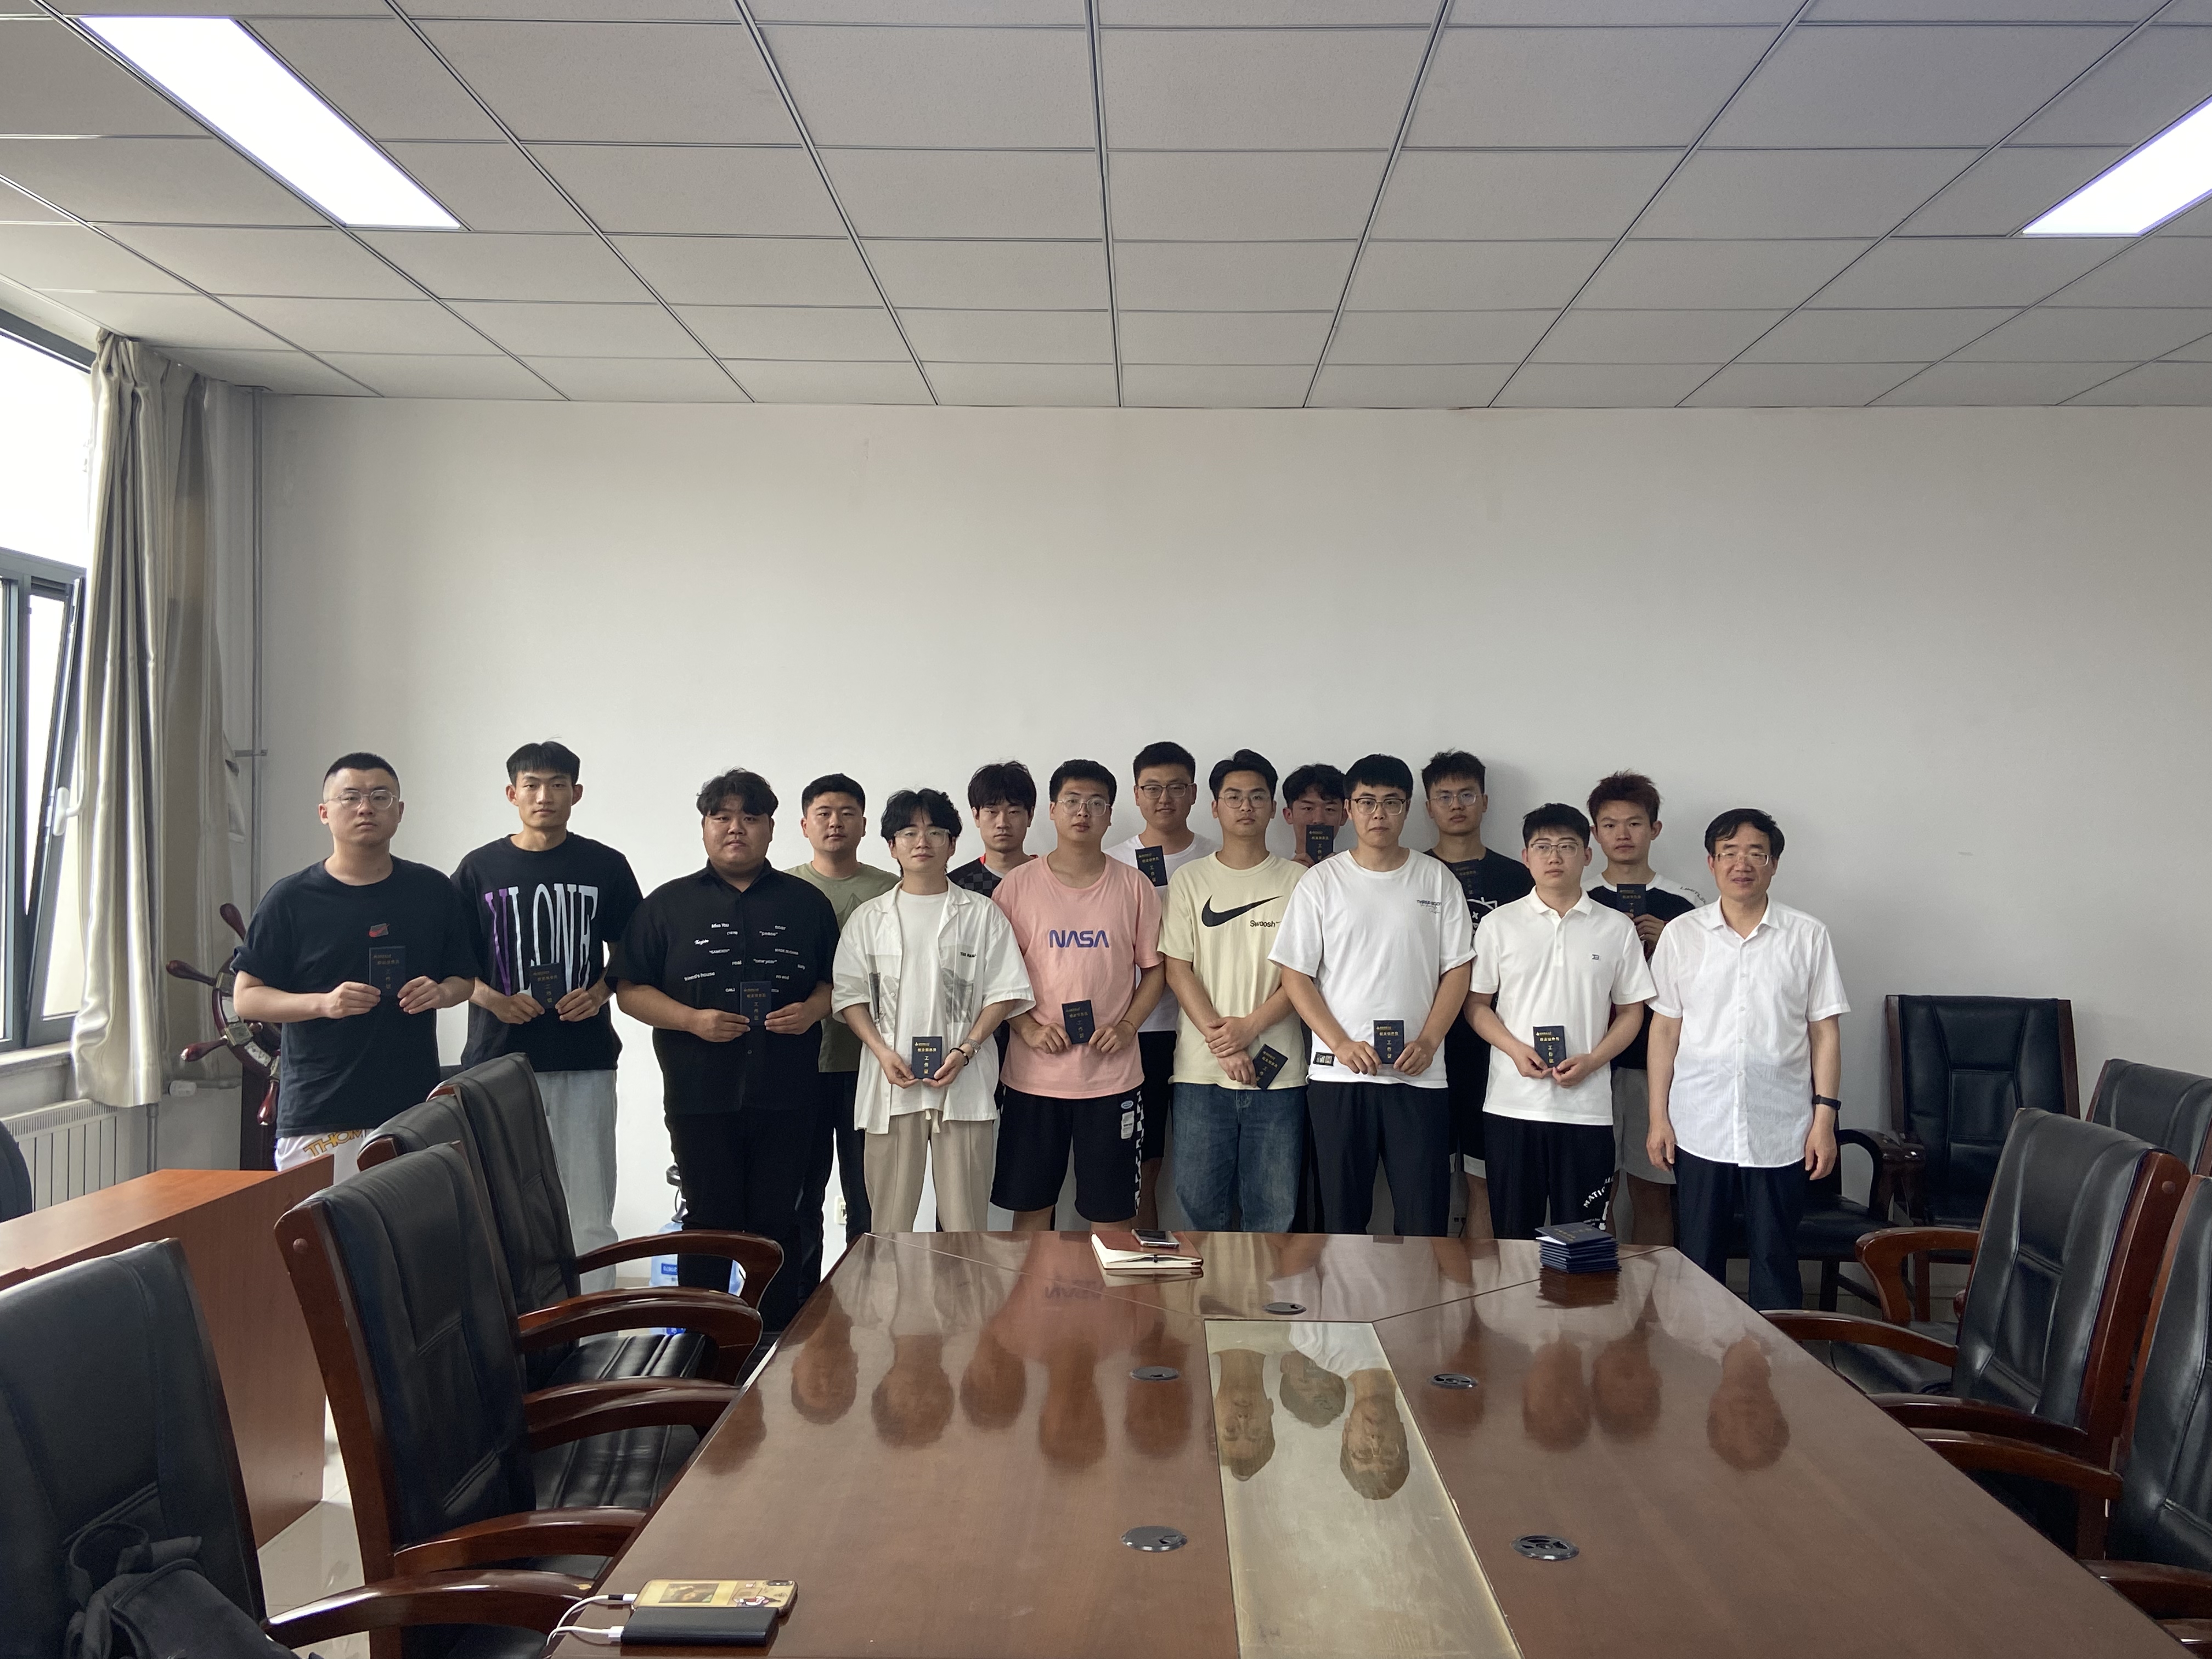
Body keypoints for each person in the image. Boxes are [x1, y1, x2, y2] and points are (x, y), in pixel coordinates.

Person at [613, 769, 838, 1338]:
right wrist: (691, 1020)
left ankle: (776, 1340)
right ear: (705, 827)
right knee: (708, 1222)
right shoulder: (667, 906)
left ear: (771, 828)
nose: (736, 828)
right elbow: (630, 990)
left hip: (788, 1093)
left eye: (750, 817)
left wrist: (813, 1010)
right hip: (699, 1095)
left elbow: (837, 984)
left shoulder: (807, 904)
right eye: (722, 817)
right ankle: (702, 1342)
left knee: (779, 1221)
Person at [451, 740, 644, 1288]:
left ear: (576, 793)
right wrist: (495, 1000)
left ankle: (594, 1326)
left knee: (588, 1209)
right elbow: (452, 962)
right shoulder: (479, 869)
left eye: (557, 785)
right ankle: (513, 1324)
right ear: (511, 794)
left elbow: (635, 950)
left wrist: (600, 993)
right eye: (532, 785)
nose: (544, 796)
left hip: (584, 1059)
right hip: (497, 1062)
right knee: (498, 1207)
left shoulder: (605, 865)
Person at [234, 753, 475, 1181]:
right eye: (350, 797)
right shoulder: (289, 900)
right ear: (325, 812)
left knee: (413, 1223)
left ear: (399, 811)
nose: (366, 808)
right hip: (320, 1111)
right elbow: (247, 998)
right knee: (325, 1225)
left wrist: (441, 993)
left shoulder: (433, 891)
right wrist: (324, 1004)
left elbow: (464, 979)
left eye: (381, 797)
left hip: (412, 1110)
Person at [1646, 808, 1849, 1312]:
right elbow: (1665, 1029)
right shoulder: (1682, 934)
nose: (1743, 864)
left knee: (1775, 1256)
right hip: (1700, 1121)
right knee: (1698, 1256)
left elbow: (1824, 1031)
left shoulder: (1807, 935)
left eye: (1756, 853)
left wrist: (1824, 1120)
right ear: (1712, 863)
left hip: (1780, 1124)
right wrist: (1658, 1118)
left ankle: (1780, 1356)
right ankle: (1699, 1350)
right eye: (1730, 853)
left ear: (1774, 864)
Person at [1271, 753, 1474, 1238]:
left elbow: (1457, 970)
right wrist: (1340, 1044)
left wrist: (1429, 1042)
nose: (1378, 814)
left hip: (1419, 1076)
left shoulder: (1436, 879)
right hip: (1339, 1076)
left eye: (1391, 803)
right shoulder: (1321, 882)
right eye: (1366, 802)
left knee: (1424, 1221)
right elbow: (1296, 976)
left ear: (1408, 808)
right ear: (1349, 809)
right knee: (1340, 1222)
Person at [833, 787, 1032, 1232]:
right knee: (888, 1225)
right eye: (908, 832)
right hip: (892, 1084)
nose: (922, 841)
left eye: (935, 831)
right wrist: (882, 1052)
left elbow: (1005, 991)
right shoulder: (868, 919)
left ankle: (963, 1286)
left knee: (966, 1227)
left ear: (952, 844)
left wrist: (967, 1049)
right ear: (892, 846)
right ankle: (890, 1287)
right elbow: (849, 997)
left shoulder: (983, 915)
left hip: (964, 1083)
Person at [991, 758, 1164, 1232]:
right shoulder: (1017, 887)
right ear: (1052, 810)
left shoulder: (1135, 886)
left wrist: (1127, 1026)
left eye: (1096, 803)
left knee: (1113, 1218)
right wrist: (1027, 1027)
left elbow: (1155, 971)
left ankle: (1107, 1289)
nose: (1083, 812)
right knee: (1030, 1212)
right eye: (1071, 801)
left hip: (1112, 1079)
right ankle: (1031, 1289)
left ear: (1110, 814)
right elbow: (996, 976)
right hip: (1033, 1078)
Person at [1466, 804, 1654, 1239]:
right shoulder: (1498, 924)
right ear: (1526, 857)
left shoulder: (1616, 928)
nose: (1554, 857)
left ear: (1587, 855)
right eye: (1543, 847)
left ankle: (1581, 1291)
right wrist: (1515, 1050)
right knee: (1514, 1238)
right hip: (1512, 1105)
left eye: (1567, 846)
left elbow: (1632, 1012)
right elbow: (1476, 1006)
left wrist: (1593, 1061)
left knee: (1582, 1240)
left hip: (1587, 1110)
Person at [1158, 749, 1306, 1232]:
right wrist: (1224, 1041)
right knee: (1200, 1208)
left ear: (1273, 808)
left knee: (1274, 1211)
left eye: (1257, 797)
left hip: (1278, 1075)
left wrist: (1249, 1029)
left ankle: (1264, 1289)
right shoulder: (1190, 879)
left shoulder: (1300, 882)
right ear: (1215, 807)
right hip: (1201, 1073)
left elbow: (1303, 976)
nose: (1246, 806)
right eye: (1234, 797)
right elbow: (1178, 969)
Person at [786, 773, 897, 1288]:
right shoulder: (782, 889)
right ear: (804, 824)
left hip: (870, 1065)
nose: (836, 823)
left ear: (865, 824)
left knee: (867, 1195)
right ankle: (799, 1306)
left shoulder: (890, 890)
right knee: (800, 1196)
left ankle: (868, 1299)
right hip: (800, 1066)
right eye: (824, 813)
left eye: (847, 813)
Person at [1584, 771, 1701, 1245]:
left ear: (1655, 829)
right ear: (1595, 833)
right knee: (1598, 1193)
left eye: (1634, 823)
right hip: (1592, 1062)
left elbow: (1707, 986)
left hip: (1659, 1067)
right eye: (1610, 825)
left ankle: (1654, 1290)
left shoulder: (1687, 904)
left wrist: (1668, 941)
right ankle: (1603, 1286)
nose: (1623, 834)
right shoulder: (1580, 898)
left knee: (1653, 1190)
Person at [1421, 748, 1533, 1242]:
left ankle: (1485, 1282)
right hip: (1424, 1042)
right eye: (1444, 796)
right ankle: (1433, 1278)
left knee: (1485, 1175)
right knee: (1425, 1177)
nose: (1456, 805)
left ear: (1485, 801)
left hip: (1496, 1042)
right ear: (1428, 807)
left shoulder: (1519, 877)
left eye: (1467, 795)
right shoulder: (1411, 872)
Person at [1107, 740, 1217, 1229]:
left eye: (1176, 787)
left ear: (1193, 793)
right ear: (1136, 794)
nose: (1164, 798)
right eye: (1152, 788)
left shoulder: (1218, 857)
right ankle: (1142, 1255)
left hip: (1207, 1031)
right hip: (1140, 1029)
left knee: (1208, 1162)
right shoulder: (1112, 861)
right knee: (1143, 1159)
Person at [949, 760, 1037, 899]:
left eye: (1013, 812)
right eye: (992, 812)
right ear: (976, 816)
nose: (1002, 823)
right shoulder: (956, 886)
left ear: (1030, 816)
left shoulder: (1052, 878)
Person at [1282, 762, 1348, 867]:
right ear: (1289, 815)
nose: (1319, 820)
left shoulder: (1351, 873)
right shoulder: (1279, 873)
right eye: (1308, 808)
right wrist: (1293, 873)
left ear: (1344, 816)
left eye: (1329, 809)